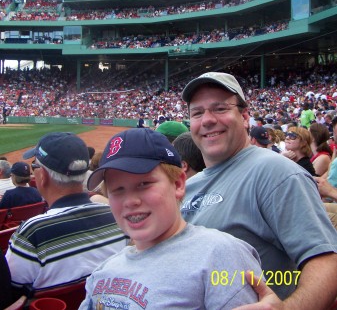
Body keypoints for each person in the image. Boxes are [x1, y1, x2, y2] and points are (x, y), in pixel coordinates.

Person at [180, 71, 337, 308]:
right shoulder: (189, 185)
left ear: (244, 117)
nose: (207, 119)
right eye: (197, 112)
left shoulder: (275, 172)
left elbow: (327, 262)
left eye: (220, 109)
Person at [80, 128, 263, 309]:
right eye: (117, 190)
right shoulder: (103, 271)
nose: (130, 201)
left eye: (144, 184)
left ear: (178, 184)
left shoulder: (219, 254)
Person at [6, 132, 128, 295]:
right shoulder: (118, 216)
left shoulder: (32, 232)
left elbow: (10, 294)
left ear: (42, 176)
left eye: (34, 166)